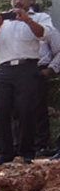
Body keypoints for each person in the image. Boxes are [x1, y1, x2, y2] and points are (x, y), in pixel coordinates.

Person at [0, 0, 53, 166]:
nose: (18, 1)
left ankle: (26, 152)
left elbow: (45, 35)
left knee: (26, 111)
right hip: (3, 69)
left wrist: (27, 20)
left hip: (27, 68)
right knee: (2, 112)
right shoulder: (3, 21)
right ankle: (4, 153)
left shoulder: (40, 17)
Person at [34, 27, 60, 157]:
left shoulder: (48, 29)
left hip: (40, 69)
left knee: (39, 108)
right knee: (19, 109)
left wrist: (50, 69)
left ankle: (41, 146)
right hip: (20, 69)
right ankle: (21, 146)